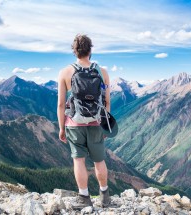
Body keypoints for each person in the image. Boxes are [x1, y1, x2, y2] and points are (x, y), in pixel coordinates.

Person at [57, 34, 111, 209]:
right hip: (96, 122)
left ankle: (84, 198)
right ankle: (105, 196)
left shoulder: (65, 72)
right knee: (99, 160)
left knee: (78, 161)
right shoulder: (102, 72)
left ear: (74, 51)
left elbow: (60, 104)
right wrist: (106, 125)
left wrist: (61, 128)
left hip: (74, 124)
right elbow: (106, 102)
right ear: (90, 50)